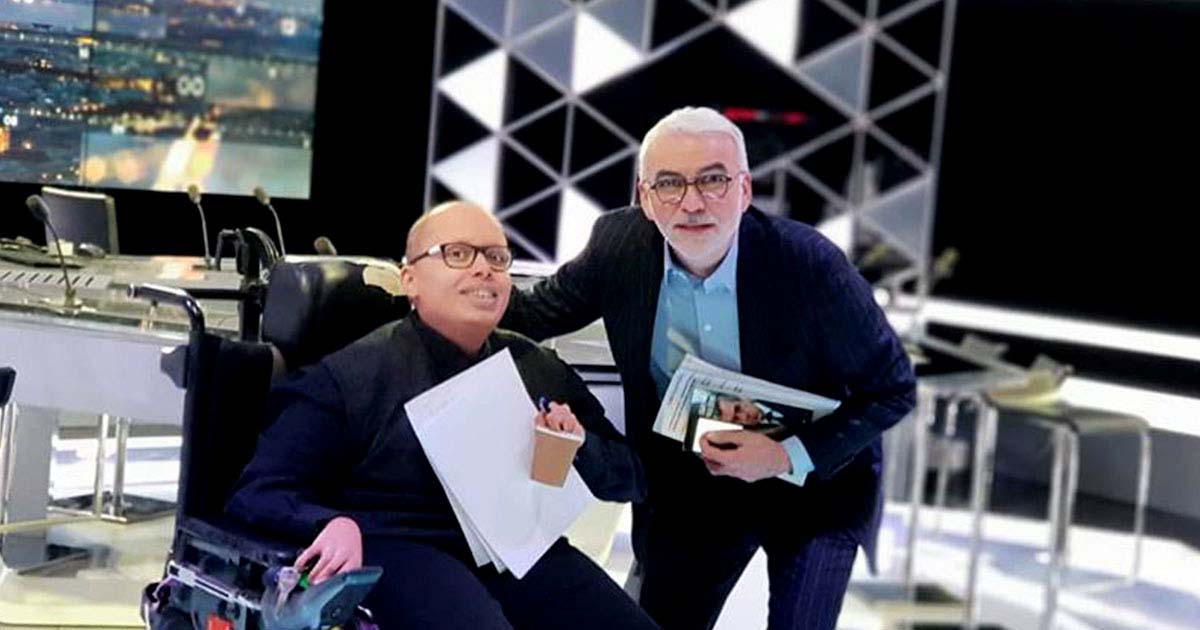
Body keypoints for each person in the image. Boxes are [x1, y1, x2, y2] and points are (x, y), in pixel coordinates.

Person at [501, 106, 916, 629]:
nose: (692, 202)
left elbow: (892, 388)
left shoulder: (808, 264)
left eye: (713, 180)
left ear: (745, 190)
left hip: (816, 483)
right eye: (669, 183)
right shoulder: (618, 247)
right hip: (695, 486)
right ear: (645, 197)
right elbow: (532, 314)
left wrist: (784, 455)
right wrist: (440, 280)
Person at [227, 201, 659, 630]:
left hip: (513, 546)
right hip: (400, 543)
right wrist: (329, 523)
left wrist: (579, 446)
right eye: (458, 254)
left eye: (497, 257)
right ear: (410, 279)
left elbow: (631, 479)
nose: (484, 269)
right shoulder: (352, 377)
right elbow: (258, 490)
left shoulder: (537, 368)